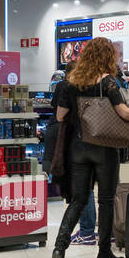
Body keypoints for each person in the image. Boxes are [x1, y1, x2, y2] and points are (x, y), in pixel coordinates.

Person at [50, 37, 129, 258]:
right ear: (106, 57)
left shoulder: (69, 82)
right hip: (104, 148)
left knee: (78, 200)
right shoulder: (108, 82)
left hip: (77, 148)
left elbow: (60, 116)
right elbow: (123, 111)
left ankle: (59, 249)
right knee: (105, 201)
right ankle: (104, 252)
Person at [49, 61, 96, 244]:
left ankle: (85, 232)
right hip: (95, 141)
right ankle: (93, 231)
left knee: (81, 189)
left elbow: (59, 114)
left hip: (74, 141)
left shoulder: (66, 87)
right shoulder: (96, 86)